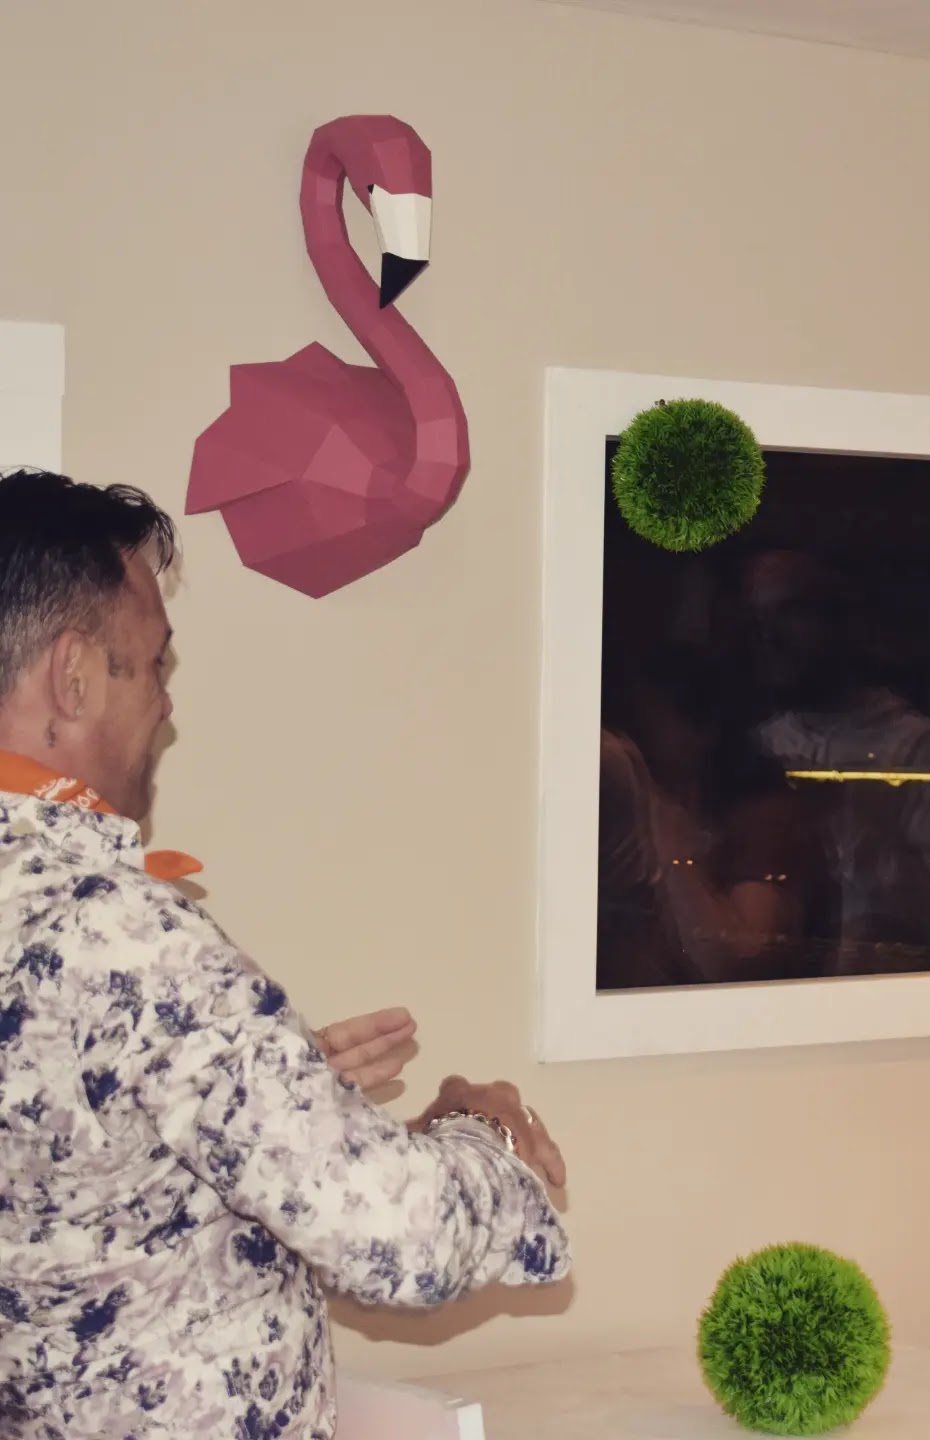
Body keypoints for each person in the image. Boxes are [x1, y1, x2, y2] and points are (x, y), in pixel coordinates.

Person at [0, 470, 570, 1439]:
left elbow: (68, 1179)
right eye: (155, 665)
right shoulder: (122, 938)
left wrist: (278, 1095)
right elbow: (399, 1237)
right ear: (75, 676)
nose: (165, 707)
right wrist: (489, 1133)